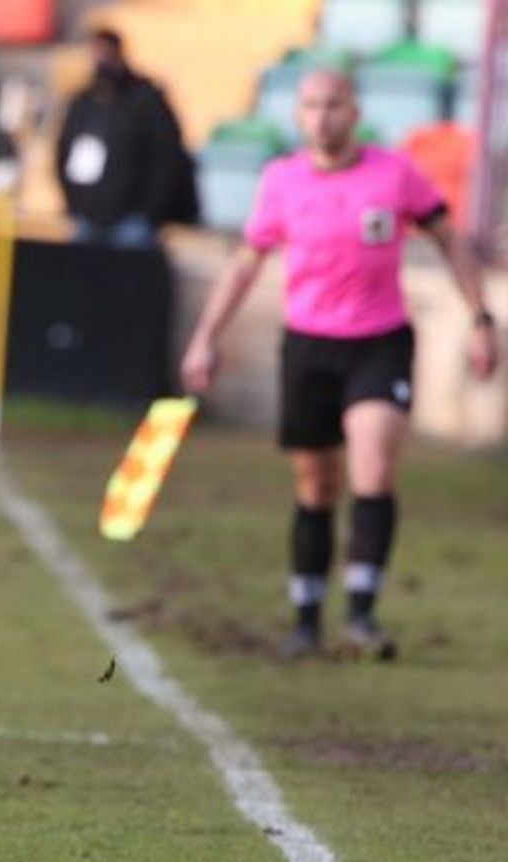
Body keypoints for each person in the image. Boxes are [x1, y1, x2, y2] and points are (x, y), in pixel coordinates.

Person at [180, 69, 499, 660]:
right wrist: (206, 336)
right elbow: (246, 262)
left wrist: (481, 317)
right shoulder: (281, 181)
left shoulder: (394, 173)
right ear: (299, 116)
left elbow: (449, 239)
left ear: (354, 112)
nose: (322, 116)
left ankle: (361, 615)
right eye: (310, 106)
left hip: (379, 342)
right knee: (316, 483)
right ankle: (306, 617)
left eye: (333, 105)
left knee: (372, 466)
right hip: (308, 346)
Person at [55, 28, 195, 247]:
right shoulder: (84, 100)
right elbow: (64, 151)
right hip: (87, 214)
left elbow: (165, 157)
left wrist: (151, 210)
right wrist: (74, 203)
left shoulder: (145, 99)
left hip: (132, 219)